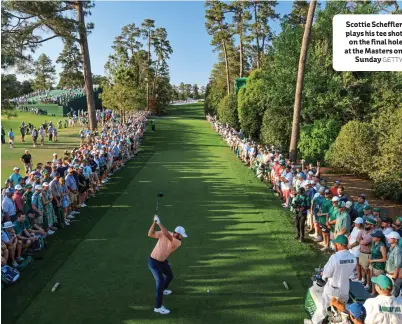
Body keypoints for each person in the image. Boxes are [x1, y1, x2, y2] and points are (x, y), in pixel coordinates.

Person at [310, 235, 356, 324]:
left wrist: (322, 275)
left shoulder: (335, 257)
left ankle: (314, 322)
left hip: (332, 288)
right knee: (341, 309)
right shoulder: (353, 258)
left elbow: (327, 273)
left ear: (340, 245)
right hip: (345, 288)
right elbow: (351, 273)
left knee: (322, 307)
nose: (334, 245)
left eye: (336, 244)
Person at [147, 214, 187, 315]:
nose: (182, 237)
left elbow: (168, 236)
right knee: (160, 282)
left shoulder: (177, 242)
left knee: (170, 276)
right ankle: (158, 307)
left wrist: (159, 222)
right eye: (182, 235)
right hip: (153, 262)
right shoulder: (166, 233)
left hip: (162, 262)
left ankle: (163, 289)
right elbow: (150, 234)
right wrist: (154, 223)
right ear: (177, 234)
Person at [369, 230, 387, 296]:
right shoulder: (374, 243)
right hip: (372, 264)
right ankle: (373, 292)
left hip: (379, 267)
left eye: (374, 237)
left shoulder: (382, 246)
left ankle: (380, 294)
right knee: (373, 279)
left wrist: (373, 260)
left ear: (379, 238)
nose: (372, 237)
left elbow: (384, 259)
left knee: (379, 281)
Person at [385, 231, 402, 298]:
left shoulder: (397, 249)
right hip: (389, 273)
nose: (388, 239)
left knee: (392, 295)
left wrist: (394, 278)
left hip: (392, 275)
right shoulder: (391, 248)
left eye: (390, 238)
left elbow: (397, 265)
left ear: (395, 240)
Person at [349, 217, 364, 282]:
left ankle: (359, 277)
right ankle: (353, 274)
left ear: (360, 224)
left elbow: (357, 242)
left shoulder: (361, 231)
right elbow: (350, 236)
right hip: (351, 248)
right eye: (355, 223)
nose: (355, 224)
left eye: (356, 223)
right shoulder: (355, 228)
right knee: (352, 262)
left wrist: (351, 246)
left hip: (356, 249)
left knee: (357, 264)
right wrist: (348, 243)